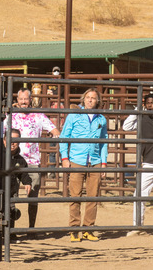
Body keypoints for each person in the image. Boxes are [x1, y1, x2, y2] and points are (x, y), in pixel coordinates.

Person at [2, 87, 60, 231]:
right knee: (11, 194)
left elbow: (54, 129)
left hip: (33, 161)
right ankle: (11, 229)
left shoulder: (38, 116)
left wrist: (54, 134)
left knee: (32, 195)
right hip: (13, 160)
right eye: (21, 99)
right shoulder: (11, 117)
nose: (23, 102)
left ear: (30, 100)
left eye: (26, 99)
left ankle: (31, 228)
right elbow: (2, 135)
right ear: (17, 100)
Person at [59, 88, 108, 242]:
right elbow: (64, 136)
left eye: (93, 98)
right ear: (83, 99)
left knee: (93, 197)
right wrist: (65, 157)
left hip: (95, 161)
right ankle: (74, 229)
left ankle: (88, 228)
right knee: (75, 196)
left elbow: (104, 142)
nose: (90, 100)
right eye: (88, 97)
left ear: (97, 101)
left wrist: (104, 162)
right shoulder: (74, 115)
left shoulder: (101, 119)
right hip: (76, 160)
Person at [122, 93, 153, 236]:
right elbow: (126, 126)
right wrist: (137, 110)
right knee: (139, 194)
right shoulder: (141, 117)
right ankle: (137, 226)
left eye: (152, 102)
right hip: (148, 162)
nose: (149, 105)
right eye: (147, 103)